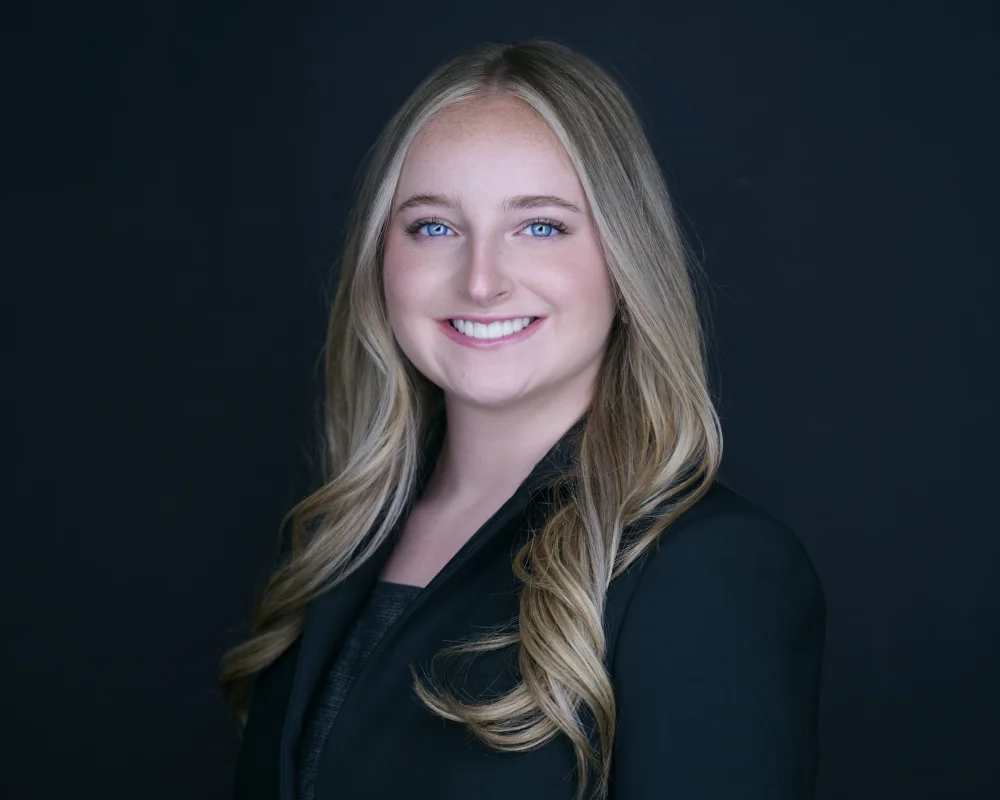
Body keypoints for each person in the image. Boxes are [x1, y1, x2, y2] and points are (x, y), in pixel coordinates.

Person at [220, 37, 826, 800]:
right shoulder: (332, 541)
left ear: (624, 256)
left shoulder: (708, 569)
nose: (480, 281)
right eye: (433, 226)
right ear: (382, 257)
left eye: (539, 226)